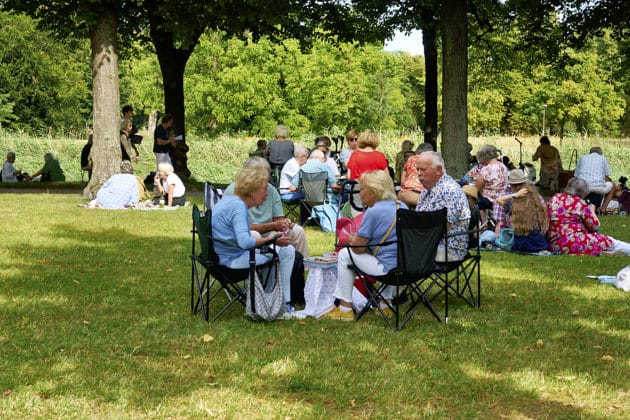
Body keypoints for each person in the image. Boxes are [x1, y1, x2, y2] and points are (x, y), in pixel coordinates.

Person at [211, 165, 297, 316]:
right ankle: (282, 305)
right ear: (251, 192)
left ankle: (276, 300)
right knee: (287, 251)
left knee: (274, 246)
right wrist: (272, 239)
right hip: (231, 261)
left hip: (222, 255)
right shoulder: (238, 207)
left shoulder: (229, 201)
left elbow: (241, 236)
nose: (266, 193)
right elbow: (245, 242)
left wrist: (269, 240)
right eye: (264, 189)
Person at [323, 170, 408, 320]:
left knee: (344, 254)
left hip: (386, 268)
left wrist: (350, 239)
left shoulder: (373, 211)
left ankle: (345, 308)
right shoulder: (403, 207)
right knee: (389, 253)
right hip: (406, 265)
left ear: (373, 192)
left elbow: (359, 249)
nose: (359, 193)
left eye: (362, 189)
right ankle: (385, 305)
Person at [224, 157, 310, 258]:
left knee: (297, 231)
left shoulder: (270, 190)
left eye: (266, 177)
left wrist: (283, 224)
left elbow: (278, 220)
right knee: (253, 235)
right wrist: (273, 227)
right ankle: (259, 270)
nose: (264, 181)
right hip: (244, 236)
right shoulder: (234, 191)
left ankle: (301, 269)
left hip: (269, 233)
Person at [547, 177, 630, 256]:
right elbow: (594, 226)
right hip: (574, 243)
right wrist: (592, 211)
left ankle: (610, 252)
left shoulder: (554, 199)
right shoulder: (579, 203)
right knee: (610, 241)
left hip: (555, 245)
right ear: (583, 192)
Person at [415, 151, 470, 262]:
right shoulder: (427, 190)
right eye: (417, 170)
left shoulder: (450, 191)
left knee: (396, 253)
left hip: (447, 250)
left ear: (438, 170)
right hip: (427, 245)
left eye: (423, 170)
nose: (419, 174)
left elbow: (439, 230)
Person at [495, 169, 549, 253]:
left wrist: (515, 195)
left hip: (519, 243)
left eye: (518, 184)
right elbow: (544, 221)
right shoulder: (536, 200)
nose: (517, 187)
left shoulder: (512, 205)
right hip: (538, 242)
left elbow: (499, 200)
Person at [473, 145, 509, 226]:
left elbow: (476, 188)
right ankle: (485, 222)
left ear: (484, 157)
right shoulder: (503, 166)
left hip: (489, 200)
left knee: (471, 197)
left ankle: (480, 225)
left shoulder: (486, 169)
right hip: (502, 197)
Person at [574, 146, 616, 212]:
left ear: (590, 152)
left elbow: (576, 176)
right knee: (613, 185)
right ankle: (603, 210)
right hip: (598, 187)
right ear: (600, 153)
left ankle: (577, 208)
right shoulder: (603, 158)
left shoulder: (582, 158)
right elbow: (606, 178)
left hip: (583, 186)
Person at [398, 142, 434, 207]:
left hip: (406, 194)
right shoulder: (431, 162)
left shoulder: (411, 159)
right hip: (421, 196)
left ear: (417, 151)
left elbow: (402, 180)